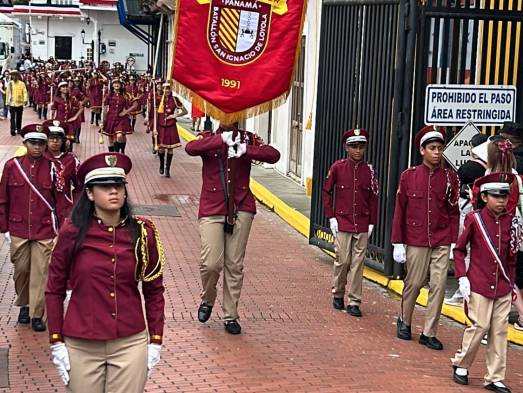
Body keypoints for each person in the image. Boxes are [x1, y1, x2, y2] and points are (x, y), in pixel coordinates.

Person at [45, 152, 165, 392]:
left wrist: (155, 340)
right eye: (105, 186)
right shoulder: (72, 232)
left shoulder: (143, 233)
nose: (114, 191)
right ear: (89, 193)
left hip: (129, 343)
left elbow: (154, 290)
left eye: (119, 185)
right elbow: (54, 289)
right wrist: (56, 341)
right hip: (81, 344)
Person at [185, 123, 280, 334]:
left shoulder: (248, 138)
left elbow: (273, 155)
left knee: (234, 265)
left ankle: (230, 315)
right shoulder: (209, 137)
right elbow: (190, 148)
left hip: (242, 206)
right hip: (212, 206)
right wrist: (220, 140)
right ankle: (208, 299)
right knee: (211, 263)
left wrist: (247, 149)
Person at [391, 125, 460, 350]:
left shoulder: (450, 178)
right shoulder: (409, 176)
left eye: (440, 148)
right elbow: (399, 210)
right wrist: (397, 242)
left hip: (440, 238)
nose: (437, 152)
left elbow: (453, 211)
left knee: (438, 286)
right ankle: (405, 320)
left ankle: (429, 332)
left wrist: (452, 242)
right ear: (422, 151)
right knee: (414, 283)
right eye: (432, 148)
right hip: (416, 237)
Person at [451, 173, 518, 393]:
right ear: (485, 197)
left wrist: (511, 284)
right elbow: (459, 250)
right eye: (496, 196)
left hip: (502, 285)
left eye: (504, 197)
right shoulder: (475, 219)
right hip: (479, 281)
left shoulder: (511, 221)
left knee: (499, 331)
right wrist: (462, 277)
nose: (501, 201)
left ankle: (495, 376)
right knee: (479, 326)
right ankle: (461, 363)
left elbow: (511, 257)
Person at [0, 124, 58, 332]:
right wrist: (3, 227)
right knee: (22, 270)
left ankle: (36, 313)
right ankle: (23, 303)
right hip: (18, 227)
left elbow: (60, 200)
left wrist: (62, 228)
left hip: (44, 229)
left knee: (40, 272)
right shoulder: (12, 166)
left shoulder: (53, 167)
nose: (38, 147)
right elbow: (2, 198)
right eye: (33, 143)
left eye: (41, 143)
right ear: (24, 143)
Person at [322, 128, 379, 316]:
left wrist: (372, 222)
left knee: (358, 264)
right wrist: (331, 217)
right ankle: (338, 292)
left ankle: (354, 301)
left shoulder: (369, 170)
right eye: (353, 146)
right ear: (346, 147)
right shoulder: (338, 167)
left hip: (361, 223)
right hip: (343, 222)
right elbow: (326, 191)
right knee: (343, 260)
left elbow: (373, 197)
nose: (358, 150)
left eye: (361, 146)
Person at [445, 133, 488, 306]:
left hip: (470, 210)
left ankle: (464, 291)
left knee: (466, 249)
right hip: (481, 213)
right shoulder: (491, 168)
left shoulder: (469, 168)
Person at [44, 122, 80, 225]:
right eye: (51, 138)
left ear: (63, 141)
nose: (55, 141)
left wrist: (75, 203)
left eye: (58, 138)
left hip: (65, 204)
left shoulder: (71, 159)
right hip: (44, 203)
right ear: (46, 140)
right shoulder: (40, 159)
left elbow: (80, 183)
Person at [155, 82, 187, 178]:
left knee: (170, 149)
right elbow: (154, 114)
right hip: (160, 126)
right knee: (161, 149)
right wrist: (153, 127)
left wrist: (175, 115)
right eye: (165, 88)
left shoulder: (175, 99)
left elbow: (185, 111)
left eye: (168, 88)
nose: (167, 90)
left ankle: (167, 169)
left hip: (171, 126)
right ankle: (161, 164)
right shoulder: (158, 99)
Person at [102, 79, 137, 154]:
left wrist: (126, 112)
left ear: (121, 85)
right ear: (112, 85)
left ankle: (120, 152)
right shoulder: (109, 95)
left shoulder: (126, 94)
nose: (116, 85)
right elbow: (104, 107)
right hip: (110, 118)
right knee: (111, 137)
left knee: (119, 136)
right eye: (114, 83)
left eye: (118, 83)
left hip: (121, 118)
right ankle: (112, 155)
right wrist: (103, 119)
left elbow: (135, 104)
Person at [5, 69, 28, 136]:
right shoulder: (10, 84)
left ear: (17, 76)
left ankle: (18, 129)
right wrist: (7, 102)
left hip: (19, 104)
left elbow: (25, 92)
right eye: (13, 75)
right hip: (12, 103)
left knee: (19, 117)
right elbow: (7, 93)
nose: (14, 76)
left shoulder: (22, 83)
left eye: (15, 75)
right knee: (12, 118)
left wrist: (25, 100)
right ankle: (12, 130)